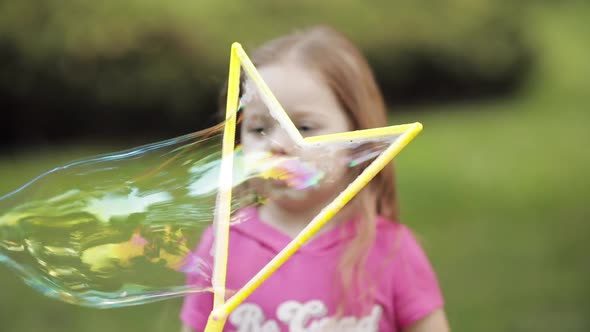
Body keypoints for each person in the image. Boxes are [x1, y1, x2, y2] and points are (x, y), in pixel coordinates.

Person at [181, 25, 449, 332]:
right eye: (258, 128)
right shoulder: (223, 246)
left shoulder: (391, 249)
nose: (277, 145)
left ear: (357, 136)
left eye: (305, 127)